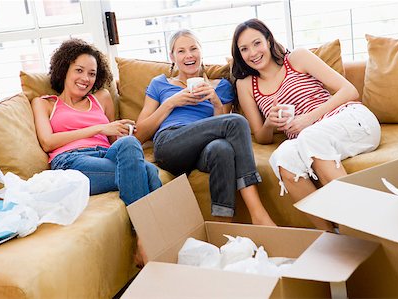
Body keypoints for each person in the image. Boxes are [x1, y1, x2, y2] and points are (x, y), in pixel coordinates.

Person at [231, 19, 381, 232]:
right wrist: (269, 122)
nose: (252, 52)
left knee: (310, 137)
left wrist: (309, 118)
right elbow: (262, 136)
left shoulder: (297, 58)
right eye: (244, 49)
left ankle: (365, 227)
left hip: (349, 119)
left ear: (268, 40)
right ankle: (332, 236)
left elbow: (349, 91)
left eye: (257, 43)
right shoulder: (245, 85)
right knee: (282, 158)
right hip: (308, 141)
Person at [31, 38, 162, 265]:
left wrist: (122, 131)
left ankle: (151, 243)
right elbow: (47, 142)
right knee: (148, 173)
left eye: (91, 74)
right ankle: (146, 239)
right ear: (64, 70)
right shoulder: (45, 104)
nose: (85, 79)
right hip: (72, 161)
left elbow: (114, 141)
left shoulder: (101, 98)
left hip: (105, 155)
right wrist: (99, 127)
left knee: (131, 145)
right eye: (79, 71)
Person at [135, 29, 275, 226]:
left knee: (222, 149)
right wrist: (171, 103)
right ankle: (258, 213)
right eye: (181, 51)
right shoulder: (160, 84)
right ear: (172, 57)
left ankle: (223, 228)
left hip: (204, 150)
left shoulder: (220, 86)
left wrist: (216, 102)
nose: (189, 55)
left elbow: (227, 133)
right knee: (237, 121)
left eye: (193, 49)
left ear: (201, 52)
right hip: (170, 145)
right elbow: (139, 134)